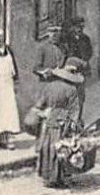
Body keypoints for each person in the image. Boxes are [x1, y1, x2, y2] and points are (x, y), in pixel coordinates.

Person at [34, 59, 83, 188]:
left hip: (49, 121)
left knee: (48, 148)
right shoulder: (72, 90)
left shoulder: (49, 86)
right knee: (64, 148)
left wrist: (44, 114)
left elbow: (39, 105)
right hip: (63, 122)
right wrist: (74, 123)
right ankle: (63, 176)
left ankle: (49, 177)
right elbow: (75, 109)